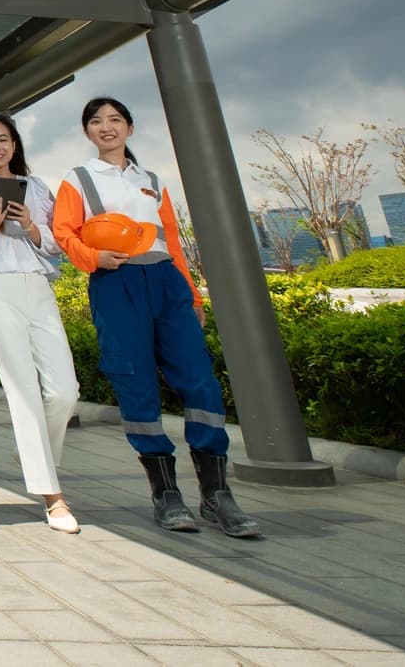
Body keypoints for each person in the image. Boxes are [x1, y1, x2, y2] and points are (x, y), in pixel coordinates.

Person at [52, 96, 261, 539]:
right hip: (116, 282)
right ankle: (165, 493)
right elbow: (62, 232)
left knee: (200, 379)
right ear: (87, 132)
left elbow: (173, 242)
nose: (106, 127)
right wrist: (93, 258)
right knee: (135, 381)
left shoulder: (151, 180)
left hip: (166, 281)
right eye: (96, 122)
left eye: (114, 120)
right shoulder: (79, 178)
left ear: (129, 127)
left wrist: (193, 297)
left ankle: (216, 494)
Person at [0, 113, 81, 533]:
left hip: (38, 288)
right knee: (22, 391)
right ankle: (52, 497)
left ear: (15, 144)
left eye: (3, 139)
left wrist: (30, 227)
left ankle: (34, 455)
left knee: (65, 390)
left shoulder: (39, 188)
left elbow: (59, 245)